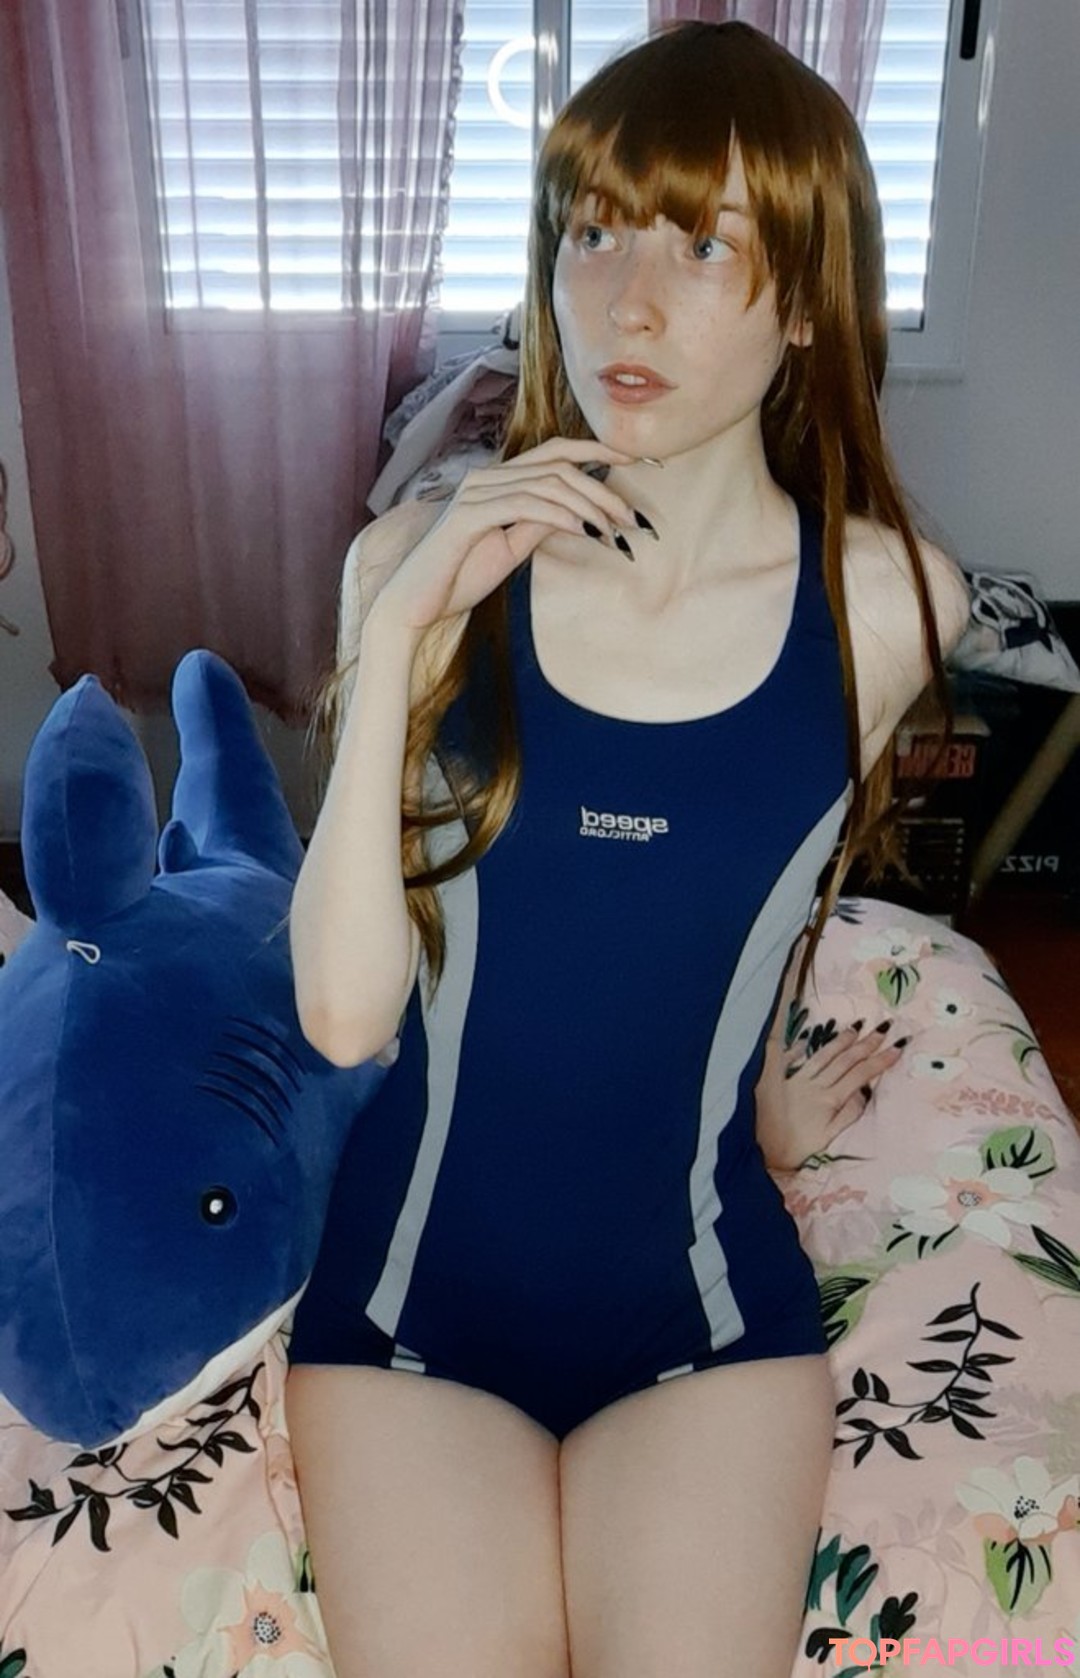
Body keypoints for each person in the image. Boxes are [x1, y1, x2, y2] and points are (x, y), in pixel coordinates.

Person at [284, 20, 971, 1678]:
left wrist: (763, 1103)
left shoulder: (891, 605)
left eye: (702, 244)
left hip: (702, 1317)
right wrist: (397, 640)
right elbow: (346, 1018)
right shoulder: (417, 564)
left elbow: (752, 895)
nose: (627, 302)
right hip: (412, 1311)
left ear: (803, 299)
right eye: (592, 234)